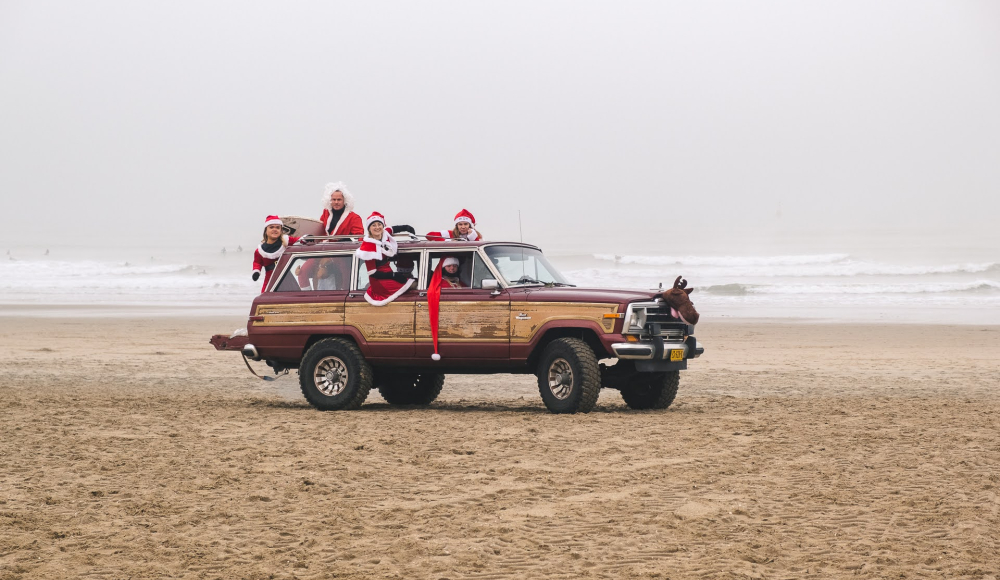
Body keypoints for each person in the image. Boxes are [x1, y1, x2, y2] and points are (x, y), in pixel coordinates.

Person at [356, 212, 414, 306]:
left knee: (412, 282)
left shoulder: (384, 235)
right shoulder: (368, 247)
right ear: (369, 229)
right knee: (414, 284)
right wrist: (394, 275)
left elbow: (392, 229)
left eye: (379, 224)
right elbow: (373, 273)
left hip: (388, 273)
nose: (377, 227)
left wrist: (407, 228)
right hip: (380, 281)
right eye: (373, 225)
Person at [252, 215, 302, 292]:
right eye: (271, 227)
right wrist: (256, 272)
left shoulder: (286, 242)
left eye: (277, 227)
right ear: (266, 230)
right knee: (266, 301)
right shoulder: (260, 250)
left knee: (293, 300)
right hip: (270, 281)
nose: (275, 229)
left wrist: (307, 238)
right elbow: (257, 262)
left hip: (287, 278)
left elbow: (298, 240)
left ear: (281, 230)